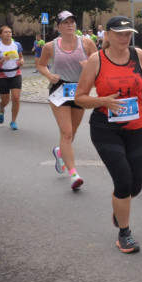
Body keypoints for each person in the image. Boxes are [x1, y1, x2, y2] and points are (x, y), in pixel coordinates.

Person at [75, 16, 142, 254]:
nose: (124, 38)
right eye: (119, 33)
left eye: (128, 33)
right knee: (123, 181)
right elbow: (80, 97)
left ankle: (119, 207)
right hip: (105, 128)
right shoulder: (96, 60)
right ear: (107, 36)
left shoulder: (138, 55)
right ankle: (124, 233)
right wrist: (102, 101)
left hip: (137, 126)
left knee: (136, 185)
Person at [36, 11, 96, 191]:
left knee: (73, 131)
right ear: (58, 27)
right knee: (67, 132)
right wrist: (48, 74)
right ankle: (74, 174)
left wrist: (89, 67)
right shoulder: (50, 46)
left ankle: (60, 152)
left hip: (79, 89)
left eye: (72, 22)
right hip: (60, 90)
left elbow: (99, 62)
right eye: (66, 22)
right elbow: (40, 64)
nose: (70, 25)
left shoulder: (86, 43)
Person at [0, 26, 25, 130]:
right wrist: (1, 60)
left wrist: (22, 61)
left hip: (16, 73)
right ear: (1, 34)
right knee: (5, 101)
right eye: (6, 32)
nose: (8, 34)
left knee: (16, 98)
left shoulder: (17, 45)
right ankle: (1, 109)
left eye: (10, 32)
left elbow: (21, 56)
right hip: (2, 75)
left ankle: (13, 121)